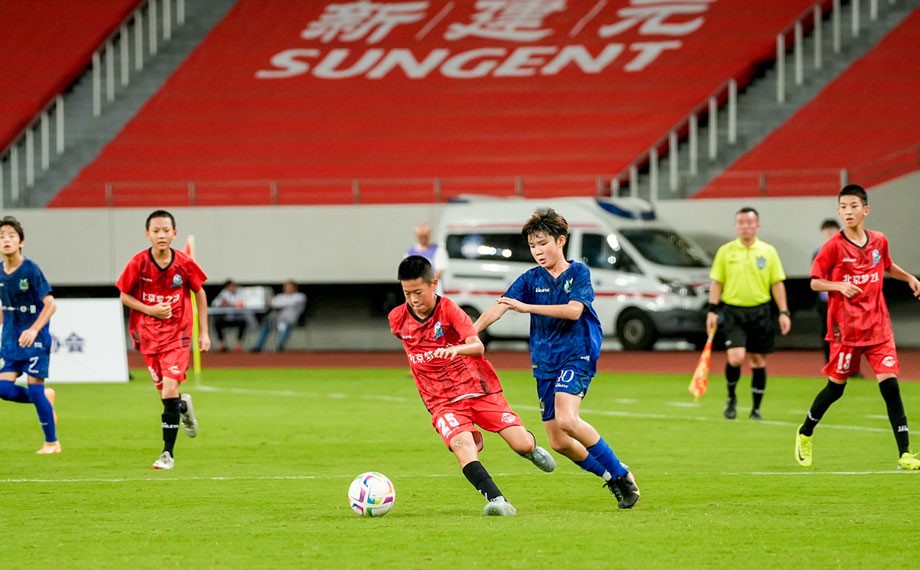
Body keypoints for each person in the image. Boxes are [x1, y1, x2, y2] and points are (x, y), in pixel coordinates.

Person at [473, 208, 640, 510]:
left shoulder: (578, 273)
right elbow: (502, 305)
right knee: (559, 442)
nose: (537, 251)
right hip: (545, 360)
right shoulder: (530, 279)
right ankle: (611, 476)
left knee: (567, 419)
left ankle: (620, 474)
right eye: (532, 246)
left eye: (543, 243)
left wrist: (527, 308)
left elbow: (574, 311)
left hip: (577, 353)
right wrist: (470, 334)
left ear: (561, 241)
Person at [390, 255, 555, 516]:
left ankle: (531, 449)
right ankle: (499, 501)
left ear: (434, 284)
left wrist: (455, 350)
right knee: (461, 445)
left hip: (478, 390)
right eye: (406, 293)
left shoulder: (450, 311)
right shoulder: (397, 319)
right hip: (441, 402)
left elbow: (477, 346)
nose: (413, 299)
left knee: (520, 444)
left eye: (418, 292)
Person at [795, 185, 920, 470]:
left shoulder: (879, 240)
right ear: (839, 212)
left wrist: (909, 278)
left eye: (853, 206)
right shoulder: (832, 247)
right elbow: (814, 282)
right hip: (847, 330)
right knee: (836, 389)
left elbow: (887, 265)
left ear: (866, 210)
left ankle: (905, 453)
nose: (848, 212)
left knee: (890, 386)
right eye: (843, 207)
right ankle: (805, 431)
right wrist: (838, 285)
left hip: (878, 327)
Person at [116, 210, 210, 470]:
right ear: (147, 234)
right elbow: (124, 295)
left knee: (169, 388)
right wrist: (150, 309)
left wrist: (203, 331)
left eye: (166, 231)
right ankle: (183, 407)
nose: (161, 235)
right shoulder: (138, 263)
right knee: (166, 396)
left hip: (178, 335)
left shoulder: (184, 262)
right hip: (148, 336)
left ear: (174, 233)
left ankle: (167, 454)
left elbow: (200, 292)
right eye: (156, 231)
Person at [706, 207, 791, 421]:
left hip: (760, 311)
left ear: (757, 225)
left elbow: (777, 283)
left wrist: (783, 312)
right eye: (741, 222)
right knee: (736, 358)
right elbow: (717, 282)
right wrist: (712, 310)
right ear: (736, 226)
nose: (745, 226)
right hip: (733, 311)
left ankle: (756, 409)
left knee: (758, 360)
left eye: (749, 222)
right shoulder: (726, 251)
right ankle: (731, 396)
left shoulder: (768, 251)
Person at [0, 216, 60, 454]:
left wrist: (34, 329)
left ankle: (52, 443)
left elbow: (51, 304)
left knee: (34, 388)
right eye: (2, 236)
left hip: (35, 340)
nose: (6, 240)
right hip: (11, 340)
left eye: (11, 236)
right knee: (3, 389)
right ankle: (45, 397)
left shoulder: (31, 270)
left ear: (21, 242)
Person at [813, 219, 841, 364]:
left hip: (843, 300)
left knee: (848, 335)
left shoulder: (845, 250)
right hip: (826, 301)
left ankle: (849, 366)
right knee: (828, 333)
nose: (830, 233)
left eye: (832, 230)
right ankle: (830, 363)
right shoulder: (818, 253)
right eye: (827, 230)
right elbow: (816, 277)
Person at [252, 280, 306, 352]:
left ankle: (280, 346)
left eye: (290, 287)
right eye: (287, 287)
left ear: (295, 288)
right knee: (266, 324)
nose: (288, 288)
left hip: (291, 318)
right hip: (278, 318)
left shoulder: (300, 296)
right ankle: (257, 347)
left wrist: (278, 304)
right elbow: (271, 303)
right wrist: (276, 304)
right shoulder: (280, 296)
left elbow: (289, 303)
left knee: (285, 325)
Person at [407, 222, 447, 295]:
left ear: (429, 235)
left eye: (425, 235)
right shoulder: (410, 252)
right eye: (420, 236)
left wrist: (425, 282)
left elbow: (439, 270)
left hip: (433, 292)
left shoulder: (437, 250)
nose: (423, 238)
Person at [211, 279, 248, 352]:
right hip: (226, 318)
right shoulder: (224, 293)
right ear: (227, 287)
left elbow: (243, 303)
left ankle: (238, 345)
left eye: (234, 286)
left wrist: (231, 303)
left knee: (243, 323)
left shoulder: (240, 292)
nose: (232, 288)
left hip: (237, 318)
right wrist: (221, 304)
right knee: (217, 323)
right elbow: (214, 303)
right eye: (230, 286)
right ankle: (222, 344)